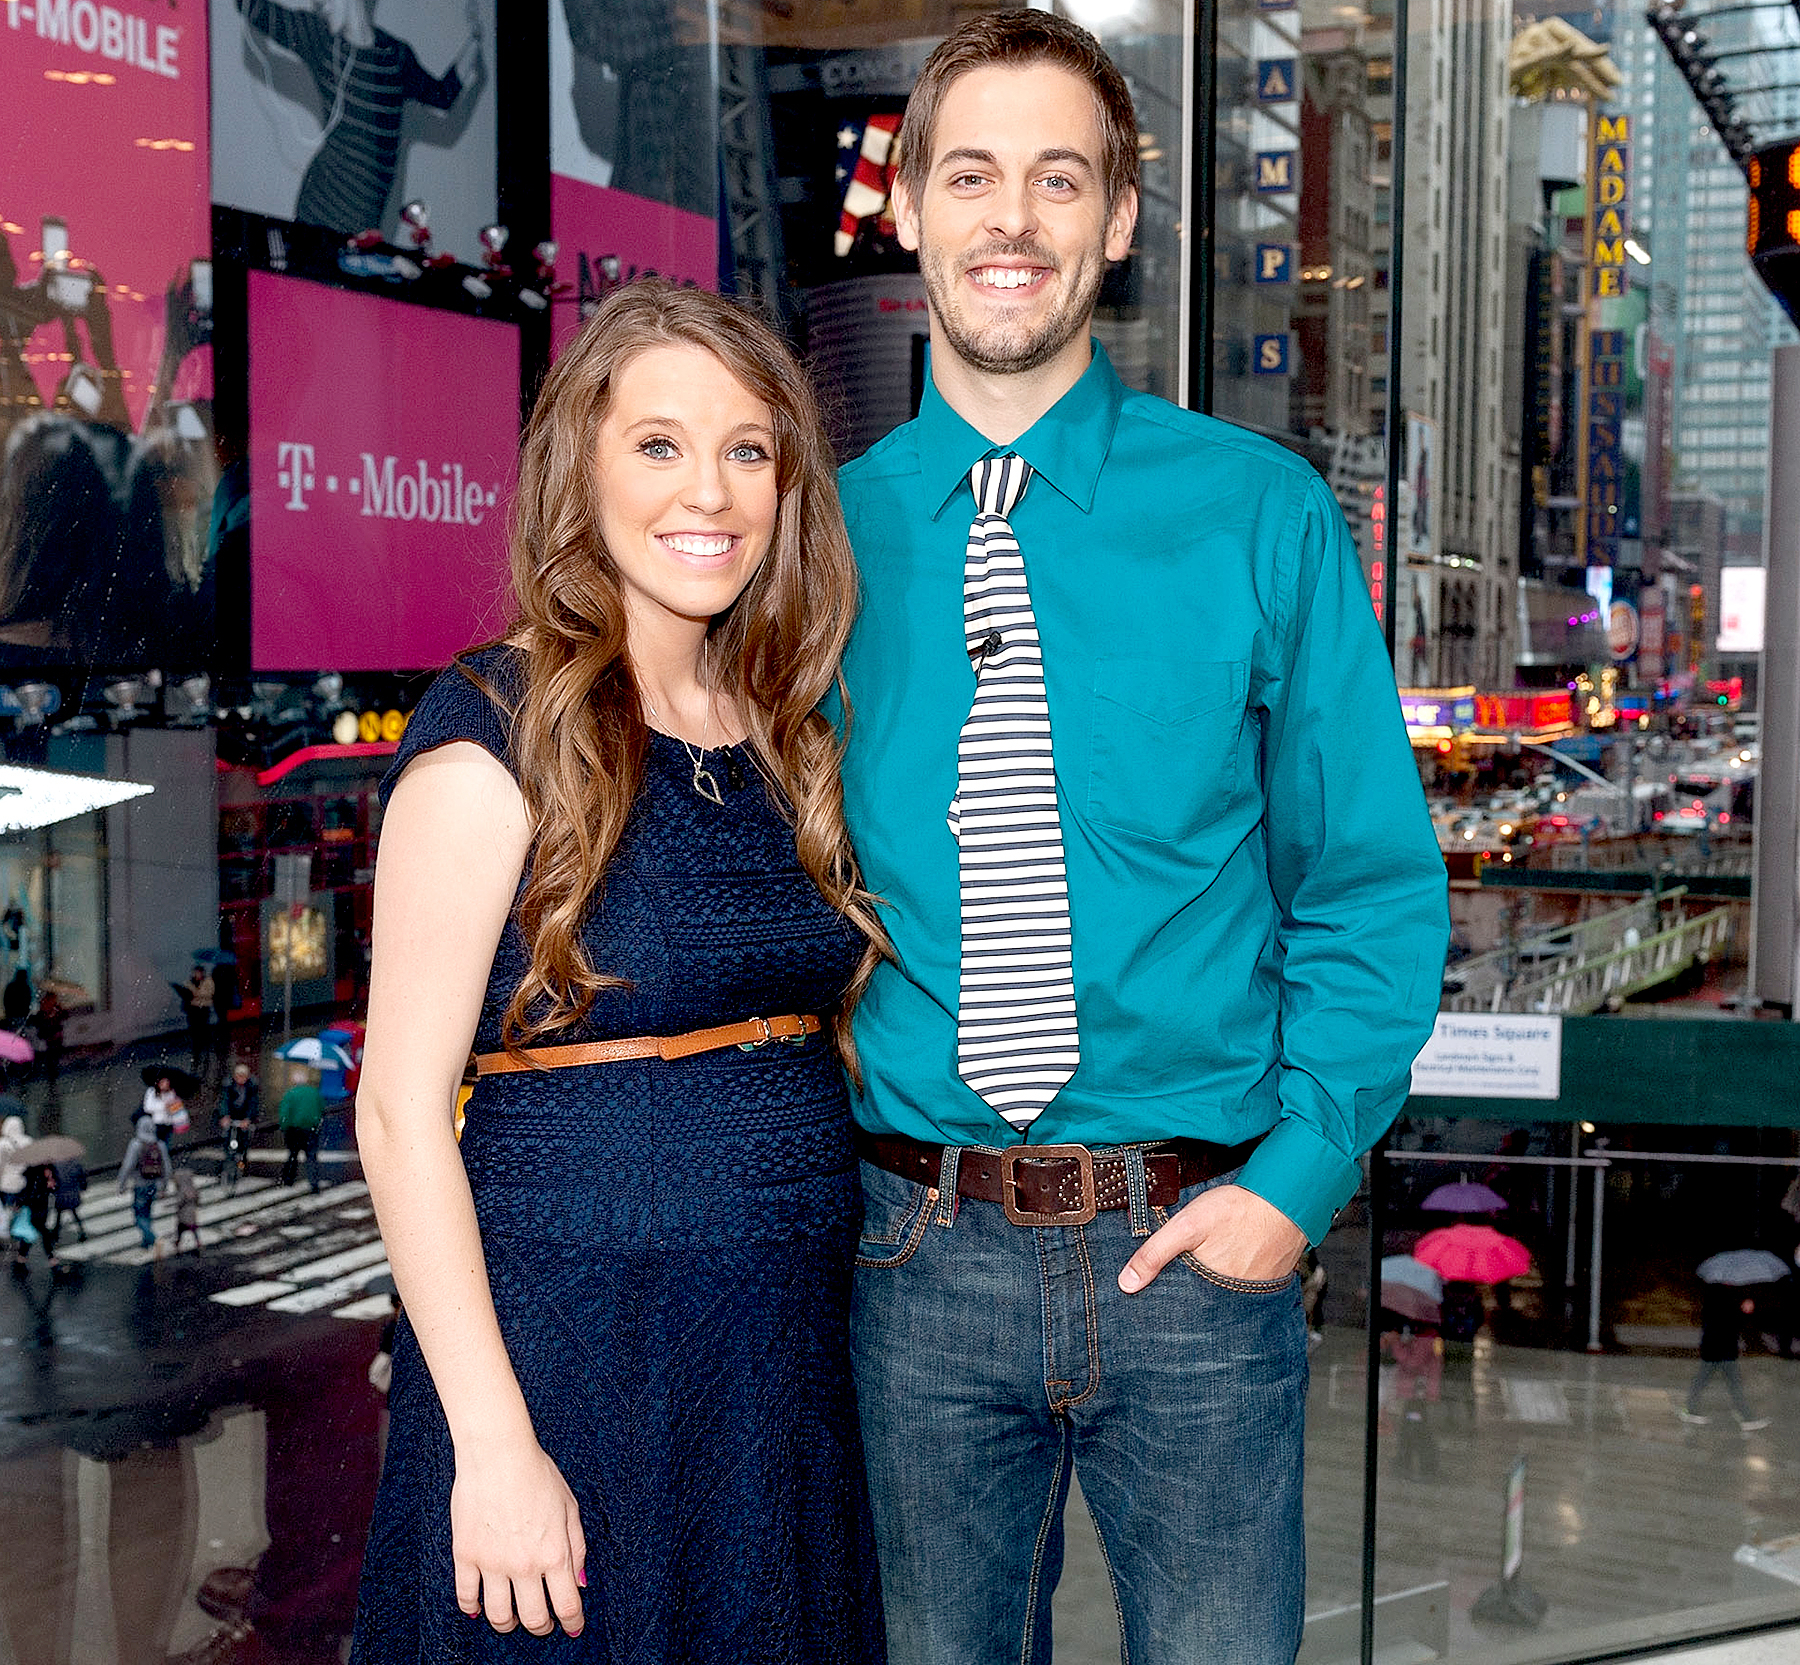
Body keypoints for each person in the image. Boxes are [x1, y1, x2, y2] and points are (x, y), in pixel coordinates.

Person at [832, 15, 1449, 1663]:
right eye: (970, 175)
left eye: (1060, 178)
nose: (1011, 220)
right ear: (904, 205)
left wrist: (1298, 1186)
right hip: (911, 1251)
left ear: (1118, 220)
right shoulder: (819, 541)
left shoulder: (1261, 515)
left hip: (1201, 1249)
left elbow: (1371, 887)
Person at [349, 282, 885, 1662]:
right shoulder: (492, 735)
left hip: (775, 1373)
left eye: (748, 449)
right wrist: (494, 1446)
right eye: (657, 443)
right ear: (577, 471)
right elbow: (402, 1114)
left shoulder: (777, 726)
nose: (709, 488)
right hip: (571, 1362)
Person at [235, 0, 483, 238]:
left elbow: (443, 96)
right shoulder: (320, 38)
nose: (319, 5)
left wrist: (475, 38)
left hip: (367, 214)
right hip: (321, 206)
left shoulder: (395, 56)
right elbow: (251, 6)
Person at [1682, 1287, 1770, 1431]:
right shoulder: (1719, 1294)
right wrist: (1743, 1310)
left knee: (1711, 1380)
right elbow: (1726, 1321)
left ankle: (1691, 1410)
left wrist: (1743, 1310)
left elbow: (1729, 1322)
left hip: (1718, 1346)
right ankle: (1745, 1417)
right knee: (1730, 1383)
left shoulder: (1720, 1293)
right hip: (1719, 1347)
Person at [118, 1113, 167, 1253]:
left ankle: (153, 1239)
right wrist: (164, 1186)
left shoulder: (136, 1144)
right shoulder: (160, 1144)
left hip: (140, 1184)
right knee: (148, 1213)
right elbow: (166, 1167)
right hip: (154, 1185)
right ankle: (146, 1242)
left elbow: (127, 1166)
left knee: (139, 1216)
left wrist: (122, 1184)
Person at [277, 1065, 325, 1192]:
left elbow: (284, 1113)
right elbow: (321, 1109)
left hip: (295, 1129)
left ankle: (288, 1180)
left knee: (293, 1155)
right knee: (311, 1156)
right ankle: (314, 1184)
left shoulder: (290, 1094)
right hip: (311, 1129)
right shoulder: (314, 1092)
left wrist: (284, 1127)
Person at [220, 1060, 262, 1192]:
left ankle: (241, 1166)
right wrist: (225, 1115)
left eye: (243, 1076)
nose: (240, 1079)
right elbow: (224, 1101)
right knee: (228, 1145)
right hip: (232, 1118)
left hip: (244, 1120)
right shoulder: (228, 1085)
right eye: (238, 1076)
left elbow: (253, 1103)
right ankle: (227, 1169)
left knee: (243, 1147)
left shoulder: (251, 1087)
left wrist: (248, 1119)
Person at [12, 1159, 58, 1270]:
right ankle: (51, 1258)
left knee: (31, 1233)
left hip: (42, 1208)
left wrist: (51, 1183)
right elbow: (29, 1192)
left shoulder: (50, 1171)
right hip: (34, 1209)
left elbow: (54, 1188)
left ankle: (21, 1258)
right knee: (43, 1232)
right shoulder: (33, 1174)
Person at [185, 964, 216, 1073]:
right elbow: (186, 994)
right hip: (193, 1010)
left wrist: (195, 994)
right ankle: (196, 1050)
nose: (197, 975)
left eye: (198, 972)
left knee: (203, 1028)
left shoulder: (208, 981)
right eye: (195, 972)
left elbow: (209, 993)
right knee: (194, 1029)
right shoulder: (189, 982)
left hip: (203, 1008)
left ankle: (206, 1049)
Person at [171, 1164, 202, 1254]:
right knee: (194, 1229)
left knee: (180, 1230)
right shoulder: (192, 1188)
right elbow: (198, 1199)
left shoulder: (182, 1189)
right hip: (192, 1214)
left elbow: (180, 1201)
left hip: (183, 1215)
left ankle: (178, 1245)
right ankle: (198, 1242)